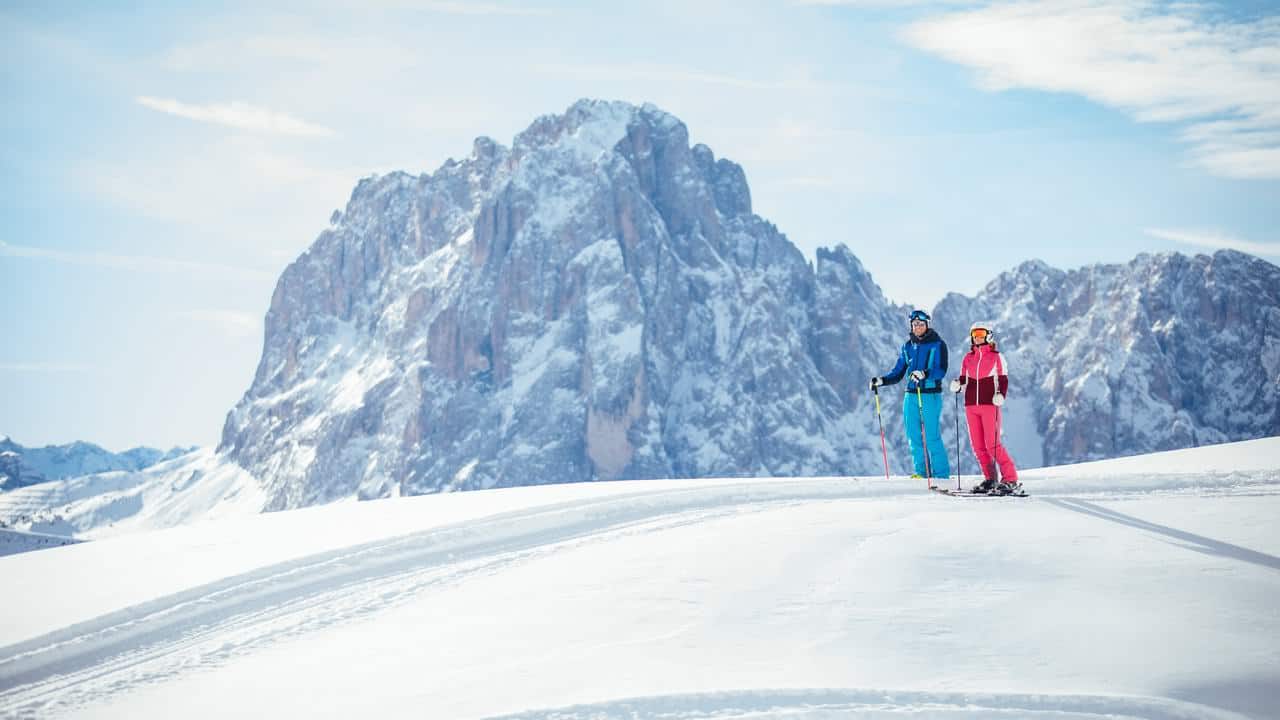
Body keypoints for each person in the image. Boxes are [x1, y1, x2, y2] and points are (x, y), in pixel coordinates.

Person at [870, 309, 950, 479]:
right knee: (913, 436)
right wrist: (882, 380)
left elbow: (941, 370)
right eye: (914, 324)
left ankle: (941, 475)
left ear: (927, 324)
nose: (917, 327)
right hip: (911, 395)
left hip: (929, 395)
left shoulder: (938, 344)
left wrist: (925, 374)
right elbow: (898, 371)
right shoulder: (908, 346)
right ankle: (922, 472)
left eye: (920, 324)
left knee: (932, 436)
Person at [949, 321, 1021, 495]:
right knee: (978, 446)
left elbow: (1003, 379)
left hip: (990, 405)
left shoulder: (996, 357)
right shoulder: (968, 358)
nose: (977, 337)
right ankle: (990, 478)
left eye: (981, 334)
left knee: (992, 444)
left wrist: (1001, 395)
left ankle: (1010, 479)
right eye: (974, 335)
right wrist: (958, 385)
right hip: (971, 406)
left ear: (989, 335)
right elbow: (964, 379)